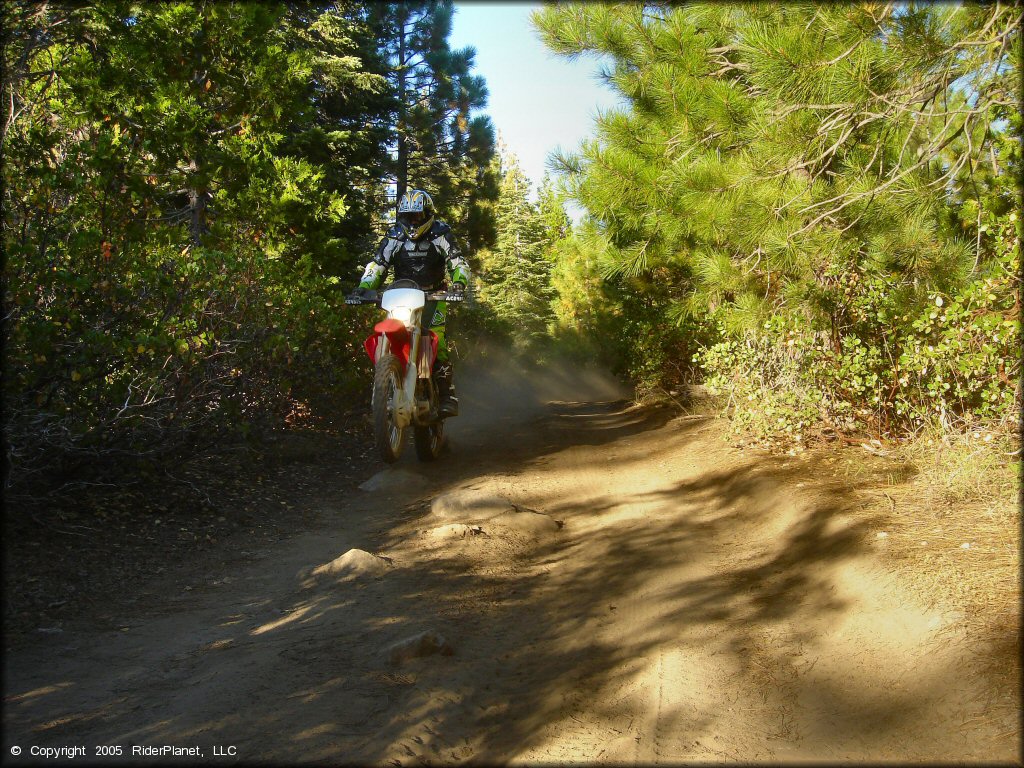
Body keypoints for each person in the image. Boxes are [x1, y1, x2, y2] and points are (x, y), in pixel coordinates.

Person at [353, 189, 469, 417]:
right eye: (407, 217)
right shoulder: (395, 235)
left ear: (427, 214)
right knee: (389, 335)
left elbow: (457, 262)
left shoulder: (440, 234)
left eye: (417, 216)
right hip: (401, 296)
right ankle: (383, 385)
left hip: (434, 297)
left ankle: (447, 394)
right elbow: (378, 264)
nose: (412, 222)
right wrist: (363, 288)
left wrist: (458, 284)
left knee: (438, 340)